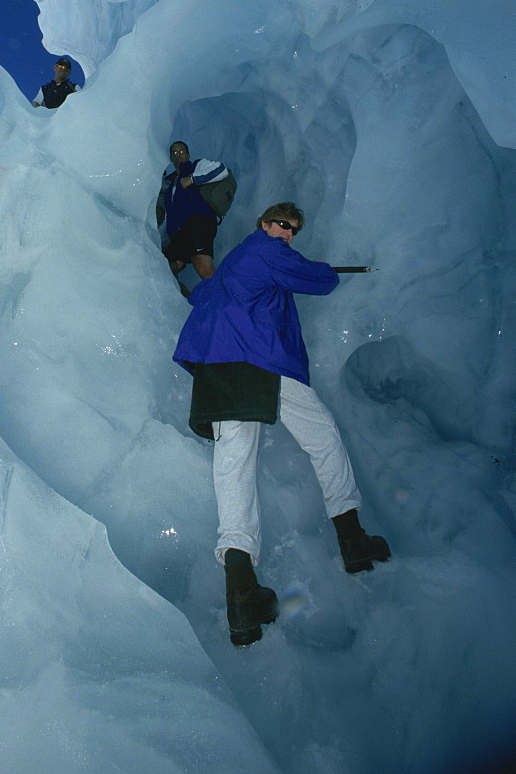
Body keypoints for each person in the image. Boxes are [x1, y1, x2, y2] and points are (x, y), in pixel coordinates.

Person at [173, 202, 391, 646]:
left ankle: (242, 592)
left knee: (234, 461)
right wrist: (323, 269)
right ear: (264, 224)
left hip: (217, 365)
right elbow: (320, 280)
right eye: (282, 225)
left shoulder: (237, 263)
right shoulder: (264, 250)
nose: (288, 233)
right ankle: (352, 539)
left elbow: (200, 297)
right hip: (254, 358)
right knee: (322, 434)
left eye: (294, 230)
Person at [158, 141, 229, 284]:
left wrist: (191, 179)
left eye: (182, 151)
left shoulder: (196, 166)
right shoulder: (169, 182)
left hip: (199, 221)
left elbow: (221, 170)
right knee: (166, 269)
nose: (179, 155)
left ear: (188, 154)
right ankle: (185, 304)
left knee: (201, 263)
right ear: (170, 158)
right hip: (179, 231)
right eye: (175, 153)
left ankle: (222, 302)